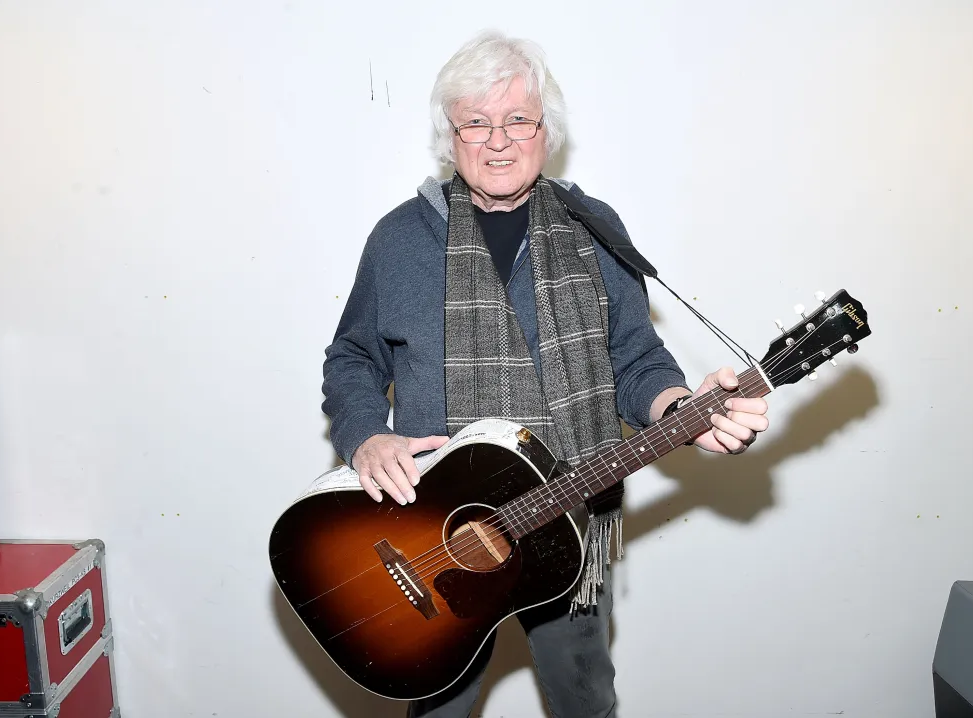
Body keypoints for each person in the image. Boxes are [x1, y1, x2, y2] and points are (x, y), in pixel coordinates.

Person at [322, 30, 770, 718]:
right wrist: (364, 436)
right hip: (435, 534)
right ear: (451, 136)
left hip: (569, 516)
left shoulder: (595, 228)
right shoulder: (399, 239)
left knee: (583, 697)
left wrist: (684, 408)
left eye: (517, 119)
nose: (497, 141)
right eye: (475, 121)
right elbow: (351, 358)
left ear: (545, 130)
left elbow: (635, 357)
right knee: (438, 706)